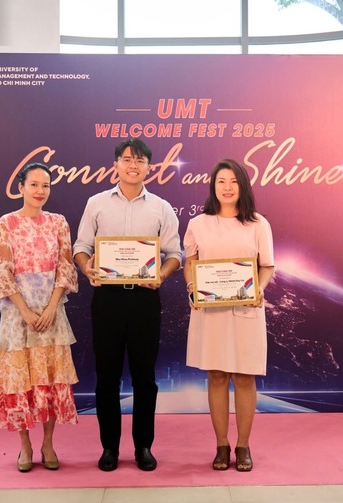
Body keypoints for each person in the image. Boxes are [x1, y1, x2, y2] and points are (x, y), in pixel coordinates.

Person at [73, 138, 182, 472]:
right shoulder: (96, 203)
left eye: (140, 161)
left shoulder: (161, 207)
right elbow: (81, 247)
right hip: (107, 299)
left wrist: (162, 274)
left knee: (144, 377)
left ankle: (143, 446)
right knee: (106, 377)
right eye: (127, 159)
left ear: (149, 167)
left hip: (144, 298)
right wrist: (87, 267)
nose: (133, 165)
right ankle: (109, 447)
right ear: (116, 165)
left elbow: (175, 254)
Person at [0, 162, 79, 472]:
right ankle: (24, 446)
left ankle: (48, 443)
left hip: (52, 314)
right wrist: (25, 311)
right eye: (34, 185)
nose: (40, 191)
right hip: (17, 316)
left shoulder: (58, 222)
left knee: (50, 379)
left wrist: (51, 307)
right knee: (20, 382)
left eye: (46, 185)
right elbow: (0, 271)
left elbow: (65, 267)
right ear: (21, 187)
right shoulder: (5, 224)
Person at [183, 159, 275, 472]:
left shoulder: (258, 224)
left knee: (245, 376)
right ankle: (222, 445)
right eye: (221, 181)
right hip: (211, 313)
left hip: (247, 310)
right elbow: (190, 262)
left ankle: (243, 446)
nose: (227, 187)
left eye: (233, 181)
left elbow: (267, 266)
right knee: (217, 376)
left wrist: (258, 288)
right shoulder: (199, 223)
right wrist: (192, 289)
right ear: (213, 186)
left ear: (242, 186)